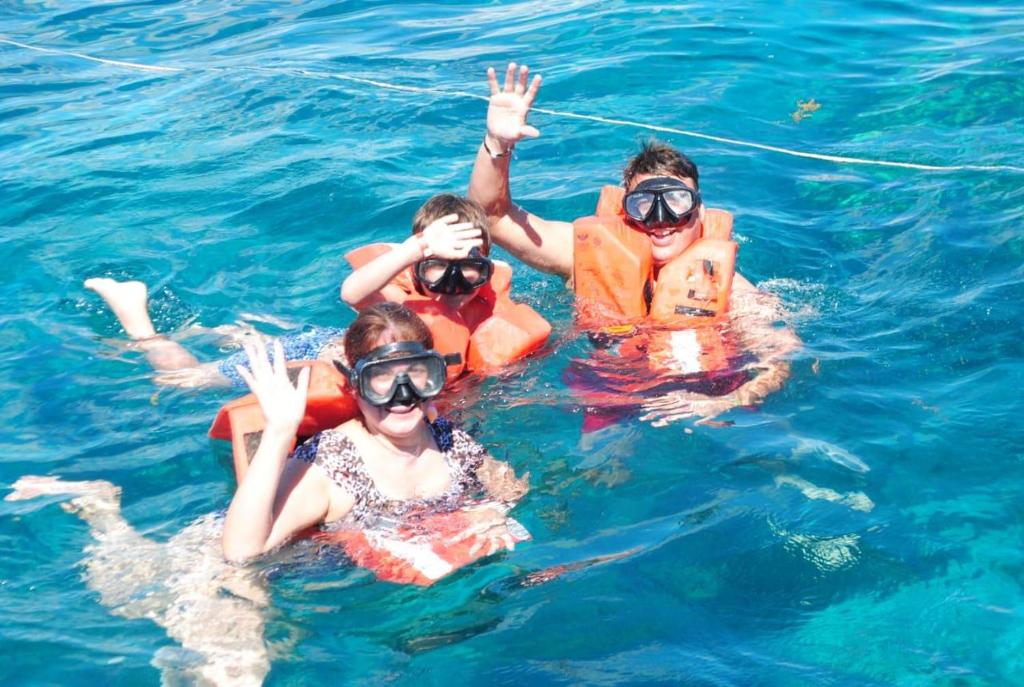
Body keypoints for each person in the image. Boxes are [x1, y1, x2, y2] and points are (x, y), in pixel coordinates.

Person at [8, 303, 530, 681]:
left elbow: (509, 489)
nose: (402, 396)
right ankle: (100, 505)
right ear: (354, 386)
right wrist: (280, 432)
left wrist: (494, 510)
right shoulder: (332, 467)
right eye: (382, 381)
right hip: (226, 557)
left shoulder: (450, 440)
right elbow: (240, 553)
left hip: (309, 561)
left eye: (417, 376)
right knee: (224, 663)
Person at [468, 62, 800, 423]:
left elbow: (781, 358)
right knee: (601, 455)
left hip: (706, 397)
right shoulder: (582, 255)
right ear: (625, 211)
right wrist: (496, 144)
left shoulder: (734, 291)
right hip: (609, 392)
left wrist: (723, 403)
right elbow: (491, 217)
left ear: (700, 211)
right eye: (644, 205)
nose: (661, 220)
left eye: (676, 202)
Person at [340, 193, 551, 378]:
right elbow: (351, 294)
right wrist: (417, 248)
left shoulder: (492, 309)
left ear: (486, 270)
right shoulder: (400, 304)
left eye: (468, 265)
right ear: (417, 266)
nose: (453, 281)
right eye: (438, 264)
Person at [83, 277, 345, 389]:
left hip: (333, 341)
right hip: (322, 357)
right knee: (185, 378)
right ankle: (136, 318)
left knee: (280, 347)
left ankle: (210, 333)